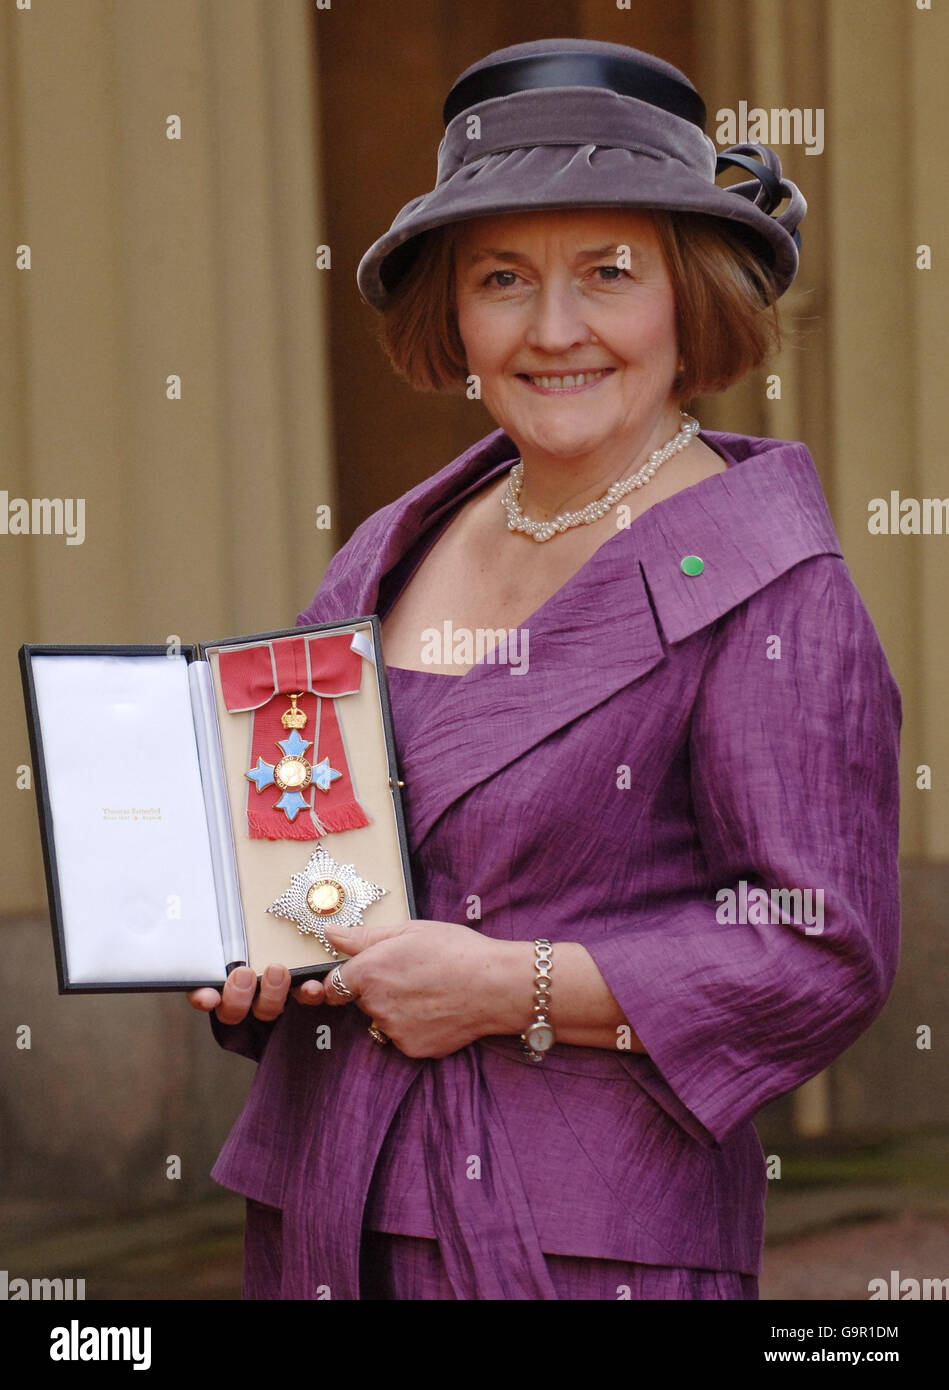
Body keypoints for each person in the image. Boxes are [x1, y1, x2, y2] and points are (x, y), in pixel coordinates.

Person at [188, 37, 901, 1301]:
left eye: (608, 274)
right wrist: (265, 962)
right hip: (322, 1205)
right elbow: (307, 862)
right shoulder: (389, 547)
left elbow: (817, 948)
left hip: (579, 1246)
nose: (553, 328)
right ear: (452, 313)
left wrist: (502, 987)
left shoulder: (772, 582)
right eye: (502, 277)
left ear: (691, 294)